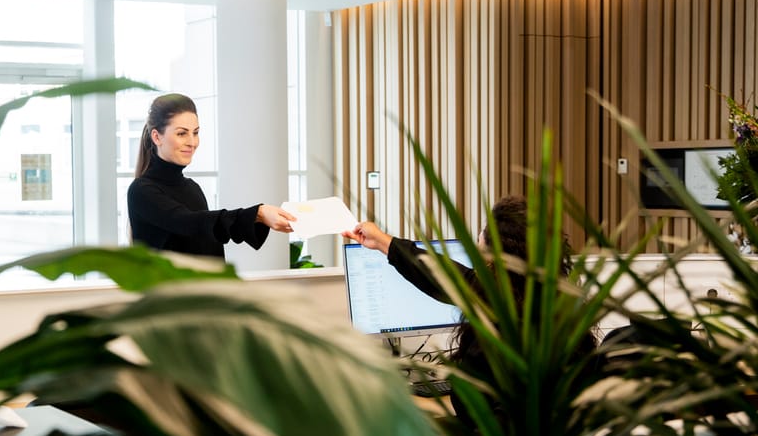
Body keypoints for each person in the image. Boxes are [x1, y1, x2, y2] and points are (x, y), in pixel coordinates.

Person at [342, 196, 598, 415]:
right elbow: (442, 274)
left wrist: (404, 400)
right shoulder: (557, 308)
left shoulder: (497, 331)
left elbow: (474, 413)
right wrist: (381, 241)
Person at [127, 93, 295, 260]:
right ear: (157, 137)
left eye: (195, 133)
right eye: (182, 133)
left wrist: (258, 217)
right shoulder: (141, 190)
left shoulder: (192, 188)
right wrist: (257, 214)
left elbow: (209, 241)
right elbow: (188, 223)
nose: (192, 142)